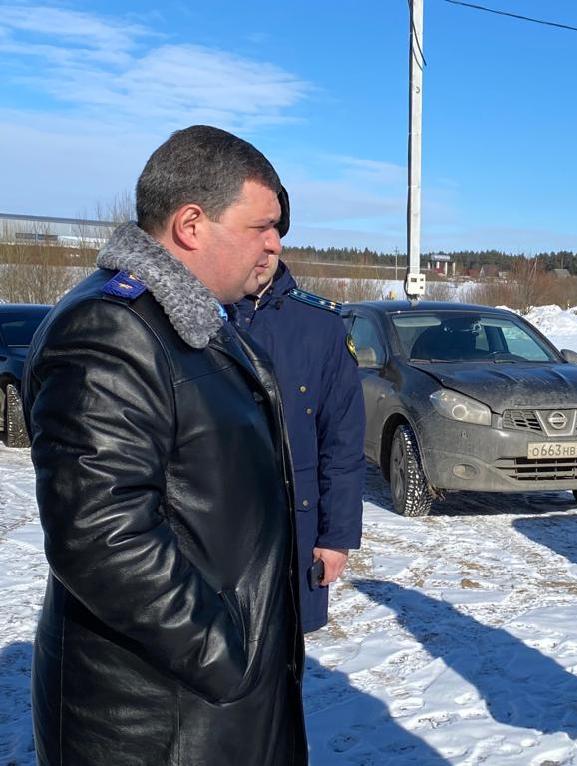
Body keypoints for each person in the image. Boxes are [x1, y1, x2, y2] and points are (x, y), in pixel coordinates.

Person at [22, 125, 307, 765]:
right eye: (261, 225)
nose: (275, 242)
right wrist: (225, 656)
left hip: (205, 701)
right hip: (158, 716)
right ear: (191, 224)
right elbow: (99, 534)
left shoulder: (193, 321)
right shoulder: (110, 327)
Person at [232, 224, 366, 634]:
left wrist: (336, 537)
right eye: (253, 233)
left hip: (295, 532)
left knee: (283, 656)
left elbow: (342, 442)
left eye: (274, 236)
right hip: (214, 534)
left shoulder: (319, 324)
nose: (267, 249)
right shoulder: (196, 315)